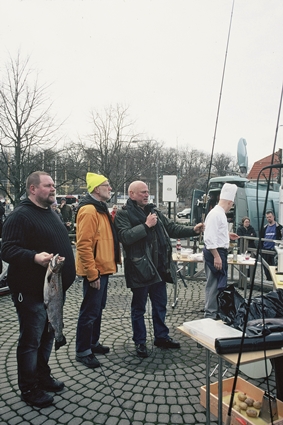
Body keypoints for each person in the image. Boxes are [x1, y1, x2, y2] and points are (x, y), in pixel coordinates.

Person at [1, 171, 76, 408]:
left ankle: (42, 376)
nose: (54, 189)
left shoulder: (49, 212)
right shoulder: (20, 216)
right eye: (48, 185)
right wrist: (34, 257)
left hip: (53, 292)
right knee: (31, 341)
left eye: (54, 185)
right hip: (31, 291)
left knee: (47, 337)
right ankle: (29, 388)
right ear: (33, 189)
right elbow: (7, 250)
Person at [114, 180, 204, 358]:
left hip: (159, 269)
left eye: (147, 192)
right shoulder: (123, 214)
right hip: (140, 269)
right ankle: (140, 342)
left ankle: (161, 337)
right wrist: (146, 226)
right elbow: (125, 237)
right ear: (131, 194)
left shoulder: (154, 211)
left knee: (160, 305)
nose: (147, 195)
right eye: (142, 192)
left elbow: (171, 228)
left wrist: (193, 230)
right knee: (139, 308)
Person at [75, 173, 120, 368]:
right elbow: (84, 245)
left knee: (97, 309)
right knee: (90, 311)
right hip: (96, 271)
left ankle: (93, 343)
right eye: (106, 185)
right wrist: (92, 273)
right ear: (96, 189)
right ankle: (83, 350)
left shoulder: (100, 210)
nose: (110, 188)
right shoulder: (89, 210)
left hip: (103, 269)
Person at [203, 183, 239, 320]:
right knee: (213, 285)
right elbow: (209, 238)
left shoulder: (220, 214)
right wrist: (216, 256)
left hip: (219, 251)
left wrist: (227, 236)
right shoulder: (216, 214)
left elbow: (215, 233)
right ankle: (210, 314)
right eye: (232, 204)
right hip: (215, 253)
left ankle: (216, 311)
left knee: (218, 284)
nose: (231, 207)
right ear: (230, 202)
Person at [260, 210, 283, 281]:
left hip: (274, 250)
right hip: (265, 249)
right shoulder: (264, 227)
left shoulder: (279, 227)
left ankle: (275, 281)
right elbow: (261, 238)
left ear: (273, 217)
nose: (269, 218)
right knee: (266, 267)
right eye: (267, 217)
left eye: (270, 217)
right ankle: (268, 279)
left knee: (275, 267)